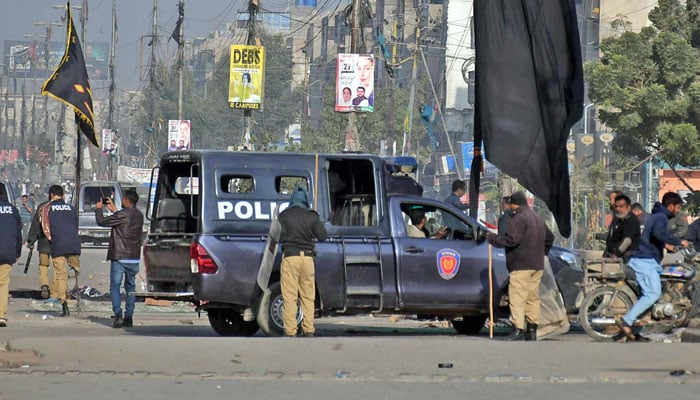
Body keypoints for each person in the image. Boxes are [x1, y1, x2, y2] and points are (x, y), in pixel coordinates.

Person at [617, 192, 688, 342]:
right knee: (652, 294)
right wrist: (677, 241)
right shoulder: (661, 218)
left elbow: (655, 236)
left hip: (648, 260)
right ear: (671, 206)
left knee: (649, 296)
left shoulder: (657, 216)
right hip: (645, 261)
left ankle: (637, 330)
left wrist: (667, 245)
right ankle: (626, 321)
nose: (678, 211)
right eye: (678, 207)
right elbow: (658, 233)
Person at [487, 191, 554, 341]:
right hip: (537, 265)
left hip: (521, 264)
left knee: (517, 297)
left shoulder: (517, 218)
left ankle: (518, 329)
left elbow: (512, 240)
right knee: (532, 297)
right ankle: (532, 330)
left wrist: (492, 239)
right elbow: (550, 238)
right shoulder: (537, 218)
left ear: (513, 204)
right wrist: (542, 254)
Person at [278, 187, 327, 337]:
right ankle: (308, 329)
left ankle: (291, 331)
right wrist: (315, 221)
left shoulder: (284, 216)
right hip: (307, 259)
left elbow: (278, 236)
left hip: (290, 257)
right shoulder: (312, 216)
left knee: (290, 296)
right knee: (308, 296)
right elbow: (323, 236)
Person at [95, 190, 145, 328]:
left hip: (119, 256)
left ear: (127, 200)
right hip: (134, 257)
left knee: (115, 286)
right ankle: (129, 317)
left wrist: (99, 209)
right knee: (131, 287)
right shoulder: (139, 215)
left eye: (123, 198)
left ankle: (118, 314)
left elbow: (102, 222)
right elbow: (122, 218)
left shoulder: (122, 214)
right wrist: (114, 209)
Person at [42, 185, 81, 317]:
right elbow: (76, 226)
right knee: (74, 270)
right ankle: (72, 293)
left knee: (60, 274)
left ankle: (63, 302)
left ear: (51, 195)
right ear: (63, 195)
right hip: (73, 243)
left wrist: (52, 239)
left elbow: (45, 228)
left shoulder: (47, 208)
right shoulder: (71, 208)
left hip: (58, 244)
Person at [26, 191, 55, 299]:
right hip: (58, 243)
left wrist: (31, 240)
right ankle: (56, 290)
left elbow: (35, 225)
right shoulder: (65, 207)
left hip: (44, 242)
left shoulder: (42, 207)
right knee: (58, 266)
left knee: (44, 265)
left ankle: (44, 285)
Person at [0, 191, 22, 327]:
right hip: (7, 250)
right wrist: (17, 252)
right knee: (3, 283)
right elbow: (18, 233)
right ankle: (1, 315)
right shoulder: (12, 210)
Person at [600, 194, 640, 263]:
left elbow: (627, 241)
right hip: (612, 256)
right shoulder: (618, 219)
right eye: (616, 206)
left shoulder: (631, 220)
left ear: (628, 208)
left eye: (621, 206)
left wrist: (615, 255)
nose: (617, 209)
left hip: (626, 259)